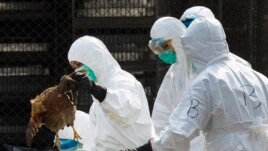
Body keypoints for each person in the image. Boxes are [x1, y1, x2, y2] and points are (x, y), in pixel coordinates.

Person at [140, 17, 268, 151]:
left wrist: (153, 147)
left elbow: (180, 130)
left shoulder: (207, 82)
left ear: (194, 48)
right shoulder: (258, 78)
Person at [61, 35, 153, 151]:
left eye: (79, 65)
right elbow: (98, 141)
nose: (77, 71)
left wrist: (98, 91)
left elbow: (127, 111)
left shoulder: (123, 81)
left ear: (95, 58)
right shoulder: (96, 105)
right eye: (74, 67)